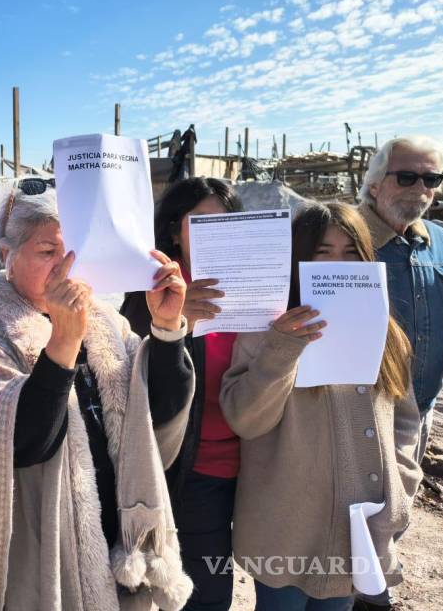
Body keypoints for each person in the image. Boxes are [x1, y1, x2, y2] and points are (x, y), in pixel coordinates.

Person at [0, 178, 195, 610]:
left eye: (74, 251)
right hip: (50, 542)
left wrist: (168, 329)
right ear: (7, 256)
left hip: (123, 543)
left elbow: (156, 415)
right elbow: (20, 444)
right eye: (48, 252)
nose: (67, 266)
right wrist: (61, 343)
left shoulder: (106, 321)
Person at [220, 203, 422, 611]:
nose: (337, 264)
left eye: (350, 252)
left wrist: (402, 478)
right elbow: (244, 419)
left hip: (359, 528)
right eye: (322, 252)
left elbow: (405, 418)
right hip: (284, 529)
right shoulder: (266, 328)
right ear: (299, 258)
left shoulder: (386, 331)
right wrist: (283, 348)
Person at [121, 177, 243, 611]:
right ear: (175, 230)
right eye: (202, 222)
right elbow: (130, 374)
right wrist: (173, 325)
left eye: (228, 222)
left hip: (258, 465)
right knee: (207, 592)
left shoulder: (258, 282)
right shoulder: (154, 290)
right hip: (197, 472)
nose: (218, 232)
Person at [357, 135, 443, 465]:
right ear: (374, 185)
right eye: (406, 177)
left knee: (402, 509)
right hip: (357, 417)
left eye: (431, 178)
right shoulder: (342, 239)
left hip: (421, 412)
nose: (420, 187)